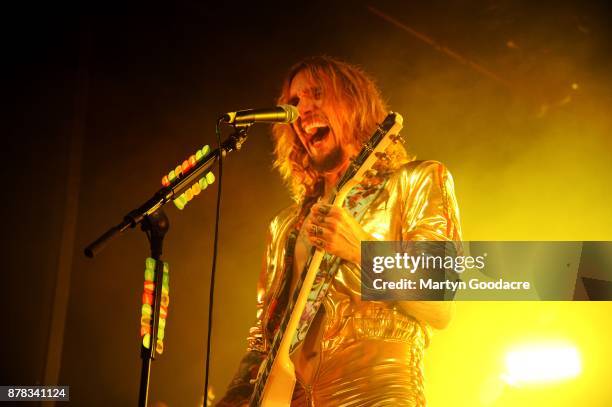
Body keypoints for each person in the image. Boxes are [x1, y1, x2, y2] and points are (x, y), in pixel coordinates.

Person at [217, 56, 462, 406]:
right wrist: (235, 396)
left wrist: (361, 249)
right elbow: (262, 341)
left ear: (354, 102)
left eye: (317, 94)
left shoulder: (417, 180)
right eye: (294, 102)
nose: (302, 111)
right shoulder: (285, 224)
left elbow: (438, 306)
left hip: (379, 393)